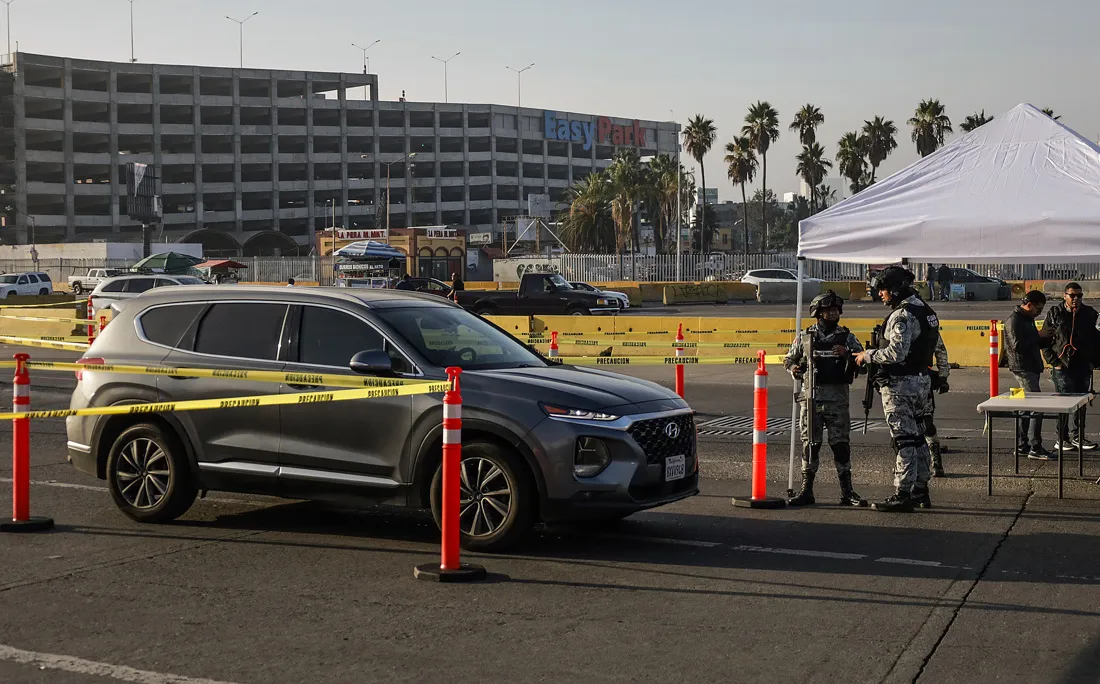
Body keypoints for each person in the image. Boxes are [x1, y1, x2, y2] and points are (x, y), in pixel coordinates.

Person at [855, 265, 939, 512]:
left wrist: (867, 355)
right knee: (918, 436)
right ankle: (920, 490)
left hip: (901, 384)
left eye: (882, 290)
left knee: (903, 440)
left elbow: (896, 352)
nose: (880, 294)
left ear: (895, 289)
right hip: (921, 381)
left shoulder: (902, 316)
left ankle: (902, 493)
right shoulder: (925, 310)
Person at [784, 290, 867, 507]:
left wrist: (847, 353)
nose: (833, 314)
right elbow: (788, 359)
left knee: (840, 445)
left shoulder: (847, 337)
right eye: (828, 311)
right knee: (810, 444)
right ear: (818, 313)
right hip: (811, 400)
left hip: (838, 400)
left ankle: (847, 492)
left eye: (835, 311)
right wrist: (794, 368)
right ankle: (806, 491)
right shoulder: (805, 336)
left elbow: (864, 363)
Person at [1041, 282, 1099, 450]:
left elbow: (1096, 340)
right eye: (1072, 296)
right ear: (1065, 296)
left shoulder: (1089, 314)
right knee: (1064, 402)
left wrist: (1094, 362)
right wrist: (1054, 362)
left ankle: (1078, 436)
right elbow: (1045, 340)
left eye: (1079, 296)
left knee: (1081, 401)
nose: (1076, 299)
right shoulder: (1055, 313)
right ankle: (1062, 437)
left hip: (1082, 365)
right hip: (1062, 364)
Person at [1005, 290, 1055, 459]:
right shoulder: (1014, 320)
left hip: (1031, 366)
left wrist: (1046, 338)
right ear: (1029, 305)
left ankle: (1022, 444)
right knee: (1036, 406)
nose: (1039, 313)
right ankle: (1035, 446)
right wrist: (1037, 335)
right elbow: (1018, 346)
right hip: (1023, 368)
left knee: (1025, 408)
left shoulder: (1027, 319)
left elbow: (1032, 344)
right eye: (1038, 309)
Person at [924, 335, 950, 476]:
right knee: (927, 421)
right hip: (922, 379)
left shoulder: (898, 320)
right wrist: (942, 376)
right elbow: (940, 350)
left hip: (902, 384)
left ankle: (904, 464)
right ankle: (936, 463)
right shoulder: (926, 318)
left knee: (902, 427)